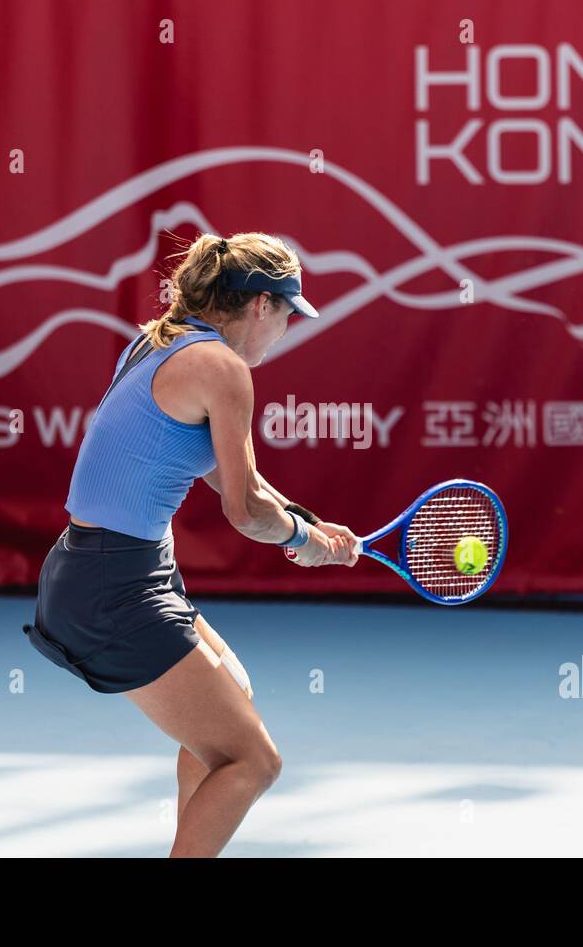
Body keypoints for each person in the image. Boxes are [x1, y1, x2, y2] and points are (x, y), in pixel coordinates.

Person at [23, 231, 358, 857]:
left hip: (103, 568)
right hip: (111, 587)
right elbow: (245, 511)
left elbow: (235, 480)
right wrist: (303, 541)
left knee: (232, 703)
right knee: (253, 760)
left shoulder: (158, 341)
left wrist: (312, 524)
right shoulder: (223, 370)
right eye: (287, 313)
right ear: (260, 304)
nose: (286, 329)